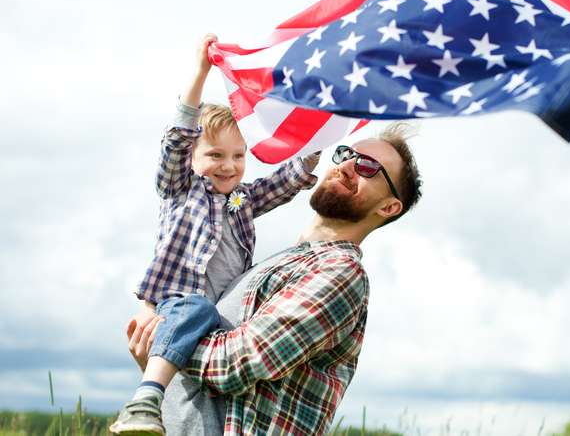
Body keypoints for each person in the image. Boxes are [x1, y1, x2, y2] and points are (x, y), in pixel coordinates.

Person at [125, 127, 423, 435]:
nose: (347, 166)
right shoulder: (268, 265)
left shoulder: (341, 271)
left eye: (368, 167)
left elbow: (239, 361)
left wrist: (163, 338)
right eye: (346, 154)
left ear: (387, 207)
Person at [110, 34, 320, 435]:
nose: (228, 166)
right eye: (214, 155)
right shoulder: (181, 189)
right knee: (196, 310)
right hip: (179, 305)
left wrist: (315, 141)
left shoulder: (241, 201)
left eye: (238, 156)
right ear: (192, 158)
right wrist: (200, 73)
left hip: (222, 320)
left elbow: (286, 181)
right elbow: (178, 136)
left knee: (216, 392)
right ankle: (145, 398)